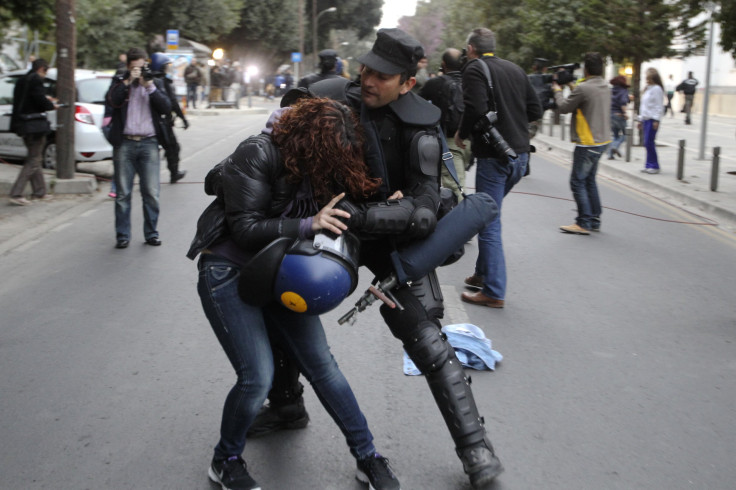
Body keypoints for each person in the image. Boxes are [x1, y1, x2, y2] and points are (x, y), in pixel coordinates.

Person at [255, 28, 504, 490]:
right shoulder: (335, 97)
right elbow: (280, 141)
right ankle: (286, 401)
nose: (368, 79)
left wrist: (372, 213)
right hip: (331, 227)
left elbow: (424, 210)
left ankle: (475, 445)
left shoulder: (421, 126)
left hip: (392, 245)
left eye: (383, 75)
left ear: (408, 82)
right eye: (367, 67)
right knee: (279, 294)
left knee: (426, 338)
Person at [187, 97, 400, 490]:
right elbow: (247, 229)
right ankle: (226, 460)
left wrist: (383, 205)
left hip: (281, 269)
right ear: (308, 144)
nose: (333, 167)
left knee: (323, 366)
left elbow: (346, 204)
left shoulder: (322, 165)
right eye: (329, 157)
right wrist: (308, 225)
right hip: (229, 269)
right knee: (257, 376)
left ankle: (368, 456)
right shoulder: (257, 152)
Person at [454, 27, 542, 307]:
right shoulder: (515, 69)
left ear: (470, 49)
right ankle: (482, 274)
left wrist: (462, 134)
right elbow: (536, 111)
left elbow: (475, 108)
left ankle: (493, 291)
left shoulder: (473, 69)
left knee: (489, 222)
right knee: (487, 213)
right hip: (520, 155)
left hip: (495, 157)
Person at [107, 47, 171, 249]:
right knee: (123, 194)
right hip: (125, 143)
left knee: (151, 192)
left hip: (149, 143)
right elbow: (112, 101)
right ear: (128, 67)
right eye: (135, 68)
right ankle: (122, 235)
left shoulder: (155, 82)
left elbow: (166, 107)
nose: (139, 71)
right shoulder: (119, 82)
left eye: (142, 67)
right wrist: (127, 82)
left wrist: (149, 86)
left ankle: (151, 233)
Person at [552, 52, 611, 235]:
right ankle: (594, 219)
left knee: (577, 182)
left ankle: (583, 222)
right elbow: (584, 94)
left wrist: (557, 91)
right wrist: (571, 84)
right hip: (602, 141)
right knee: (589, 180)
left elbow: (564, 108)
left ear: (585, 69)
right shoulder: (605, 86)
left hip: (587, 143)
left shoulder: (583, 88)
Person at [419, 47, 470, 201]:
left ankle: (460, 221)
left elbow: (416, 102)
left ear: (443, 64)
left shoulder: (435, 83)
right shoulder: (471, 81)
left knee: (455, 189)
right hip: (469, 143)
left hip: (450, 143)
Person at [8, 58, 58, 206]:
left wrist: (44, 99)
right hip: (34, 126)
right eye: (45, 71)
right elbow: (40, 101)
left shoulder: (23, 80)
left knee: (35, 157)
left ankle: (39, 191)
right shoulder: (36, 79)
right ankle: (16, 193)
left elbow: (28, 100)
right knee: (34, 160)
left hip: (22, 124)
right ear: (42, 69)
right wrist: (51, 104)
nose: (45, 74)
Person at [150, 53, 188, 184]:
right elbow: (172, 102)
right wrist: (183, 118)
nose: (168, 69)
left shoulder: (150, 80)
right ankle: (174, 173)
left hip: (155, 122)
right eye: (166, 66)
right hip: (162, 123)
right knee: (173, 148)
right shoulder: (163, 82)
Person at [638, 67, 664, 175]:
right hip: (646, 118)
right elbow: (643, 106)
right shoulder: (647, 89)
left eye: (647, 77)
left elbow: (658, 105)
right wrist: (640, 119)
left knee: (649, 142)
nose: (646, 79)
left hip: (652, 119)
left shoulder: (657, 89)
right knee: (646, 143)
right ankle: (648, 164)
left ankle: (654, 165)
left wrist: (656, 120)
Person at [607, 75, 630, 160]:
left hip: (611, 115)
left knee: (615, 135)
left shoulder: (611, 90)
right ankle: (615, 146)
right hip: (619, 115)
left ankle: (610, 155)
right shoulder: (624, 91)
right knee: (625, 134)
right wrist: (625, 113)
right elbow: (623, 102)